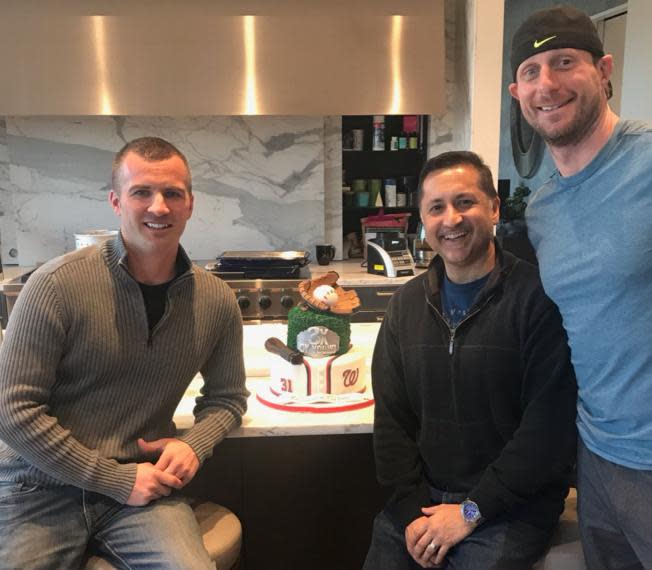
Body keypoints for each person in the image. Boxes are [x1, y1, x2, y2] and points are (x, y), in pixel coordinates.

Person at [0, 137, 248, 568]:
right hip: (39, 488)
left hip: (143, 489)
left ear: (190, 204)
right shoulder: (56, 286)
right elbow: (11, 409)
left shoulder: (217, 300)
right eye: (141, 192)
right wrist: (113, 478)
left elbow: (227, 398)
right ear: (116, 202)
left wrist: (194, 445)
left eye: (172, 193)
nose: (158, 207)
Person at [363, 151, 577, 569]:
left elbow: (547, 433)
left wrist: (470, 512)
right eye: (436, 207)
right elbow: (392, 422)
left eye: (465, 202)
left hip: (511, 507)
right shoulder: (405, 306)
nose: (452, 219)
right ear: (422, 220)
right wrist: (412, 511)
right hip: (424, 502)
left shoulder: (538, 300)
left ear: (494, 207)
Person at [509, 5, 652, 568]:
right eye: (531, 70)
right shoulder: (543, 210)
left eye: (564, 62)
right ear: (516, 92)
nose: (547, 83)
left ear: (604, 69)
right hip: (596, 459)